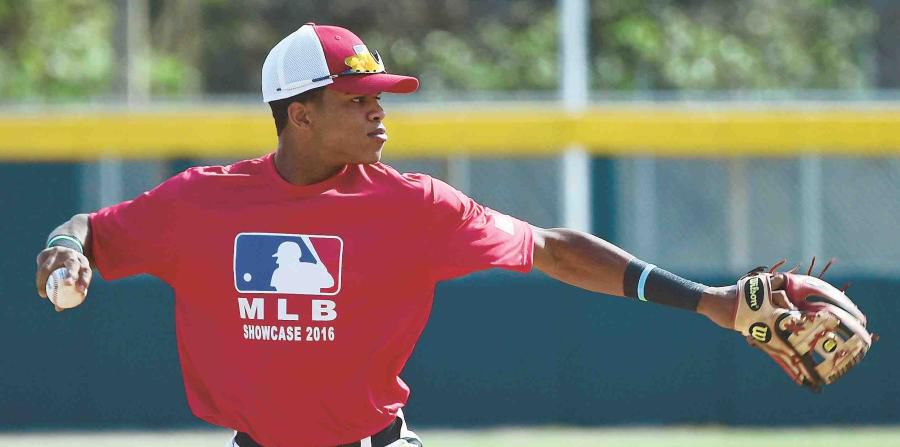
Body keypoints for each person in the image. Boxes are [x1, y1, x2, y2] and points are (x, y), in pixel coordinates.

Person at [34, 23, 737, 447]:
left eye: (379, 98)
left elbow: (552, 248)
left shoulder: (413, 206)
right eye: (356, 100)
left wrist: (707, 300)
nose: (379, 114)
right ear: (300, 116)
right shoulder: (200, 203)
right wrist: (61, 250)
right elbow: (88, 231)